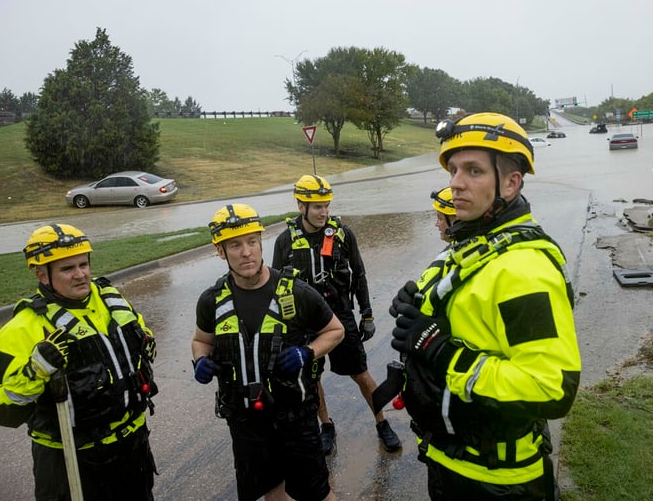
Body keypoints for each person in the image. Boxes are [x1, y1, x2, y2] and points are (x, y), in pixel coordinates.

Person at [389, 112, 582, 501]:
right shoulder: (476, 242)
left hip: (497, 483)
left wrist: (441, 351)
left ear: (511, 183)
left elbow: (551, 389)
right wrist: (419, 303)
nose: (456, 184)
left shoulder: (523, 269)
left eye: (474, 171)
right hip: (450, 460)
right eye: (454, 170)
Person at [0, 223, 158, 501]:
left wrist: (145, 340)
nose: (81, 274)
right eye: (67, 268)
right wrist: (35, 372)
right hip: (70, 461)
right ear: (42, 275)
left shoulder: (111, 299)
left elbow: (140, 341)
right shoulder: (23, 328)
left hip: (133, 447)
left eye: (83, 264)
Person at [191, 203, 344, 501]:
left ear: (261, 243)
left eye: (251, 242)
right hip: (247, 424)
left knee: (318, 494)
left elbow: (335, 331)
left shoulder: (297, 292)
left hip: (296, 419)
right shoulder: (212, 301)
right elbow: (201, 340)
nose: (246, 252)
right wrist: (200, 360)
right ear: (220, 251)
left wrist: (307, 353)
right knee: (271, 492)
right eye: (235, 245)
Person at [272, 174, 402, 454]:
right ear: (300, 206)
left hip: (340, 315)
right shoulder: (285, 241)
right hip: (304, 322)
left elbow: (360, 274)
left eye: (326, 205)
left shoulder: (341, 234)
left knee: (362, 375)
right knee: (313, 378)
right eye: (317, 207)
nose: (324, 212)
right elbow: (277, 286)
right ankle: (326, 425)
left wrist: (366, 313)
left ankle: (381, 422)